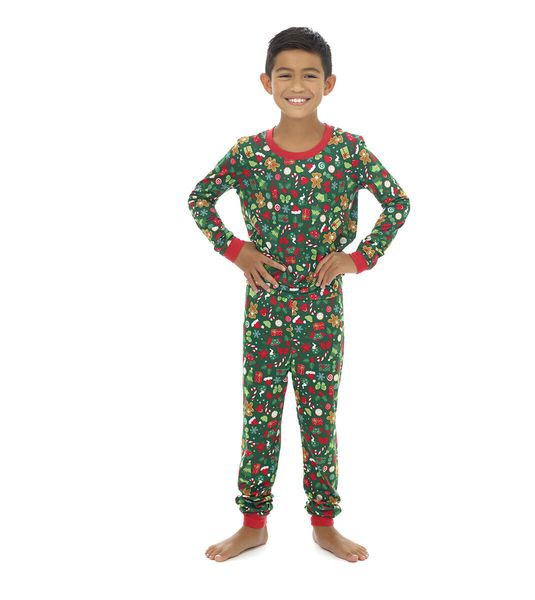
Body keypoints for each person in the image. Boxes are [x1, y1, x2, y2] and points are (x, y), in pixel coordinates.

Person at [187, 26, 410, 562]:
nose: (297, 85)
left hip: (321, 311)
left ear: (328, 83)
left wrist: (357, 258)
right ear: (266, 82)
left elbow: (397, 203)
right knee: (260, 415)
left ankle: (325, 523)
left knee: (319, 416)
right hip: (264, 308)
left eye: (310, 75)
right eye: (284, 74)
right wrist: (235, 249)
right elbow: (200, 199)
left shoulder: (348, 151)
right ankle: (253, 523)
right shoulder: (248, 154)